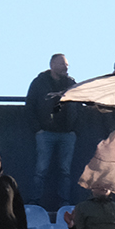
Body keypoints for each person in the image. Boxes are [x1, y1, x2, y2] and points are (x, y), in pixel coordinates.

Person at [26, 54, 78, 211]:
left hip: (67, 133)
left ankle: (65, 203)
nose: (66, 67)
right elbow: (30, 107)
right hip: (46, 133)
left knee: (65, 171)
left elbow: (78, 105)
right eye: (63, 64)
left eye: (67, 65)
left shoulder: (71, 83)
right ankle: (34, 202)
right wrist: (38, 129)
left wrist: (74, 129)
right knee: (41, 169)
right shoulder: (39, 83)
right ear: (52, 65)